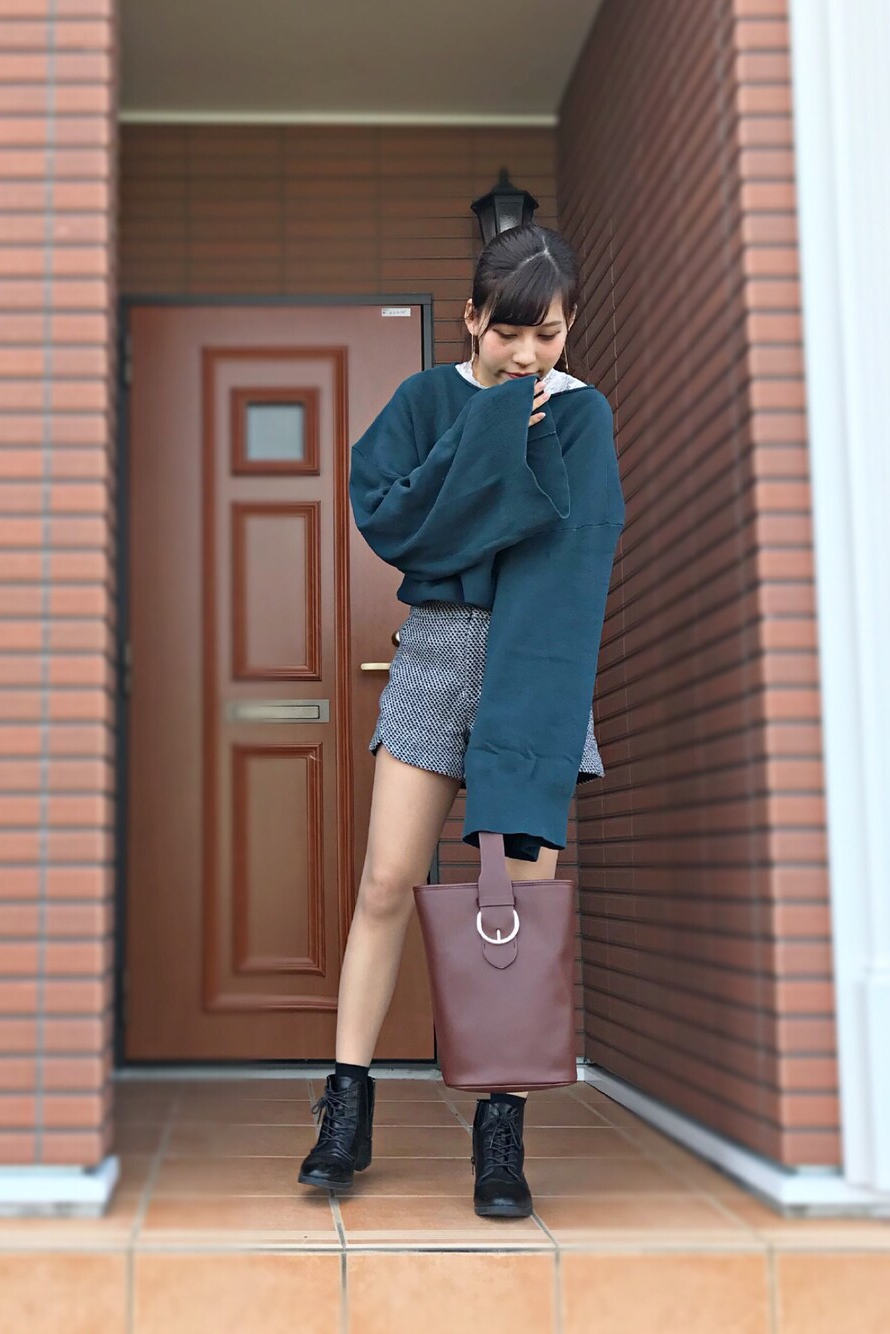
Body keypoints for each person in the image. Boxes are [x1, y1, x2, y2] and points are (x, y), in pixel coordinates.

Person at [297, 223, 623, 1219]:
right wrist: (489, 429)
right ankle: (346, 1106)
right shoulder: (426, 400)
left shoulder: (581, 415)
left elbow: (576, 548)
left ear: (569, 327)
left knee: (516, 910)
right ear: (473, 317)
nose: (527, 354)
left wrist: (499, 463)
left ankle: (500, 1130)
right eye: (508, 332)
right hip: (439, 651)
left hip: (540, 662)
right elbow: (400, 523)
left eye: (547, 334)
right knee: (385, 879)